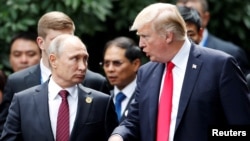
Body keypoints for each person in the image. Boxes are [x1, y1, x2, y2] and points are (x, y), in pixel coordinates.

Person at [108, 3, 250, 141]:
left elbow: (241, 130)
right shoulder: (146, 72)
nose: (140, 44)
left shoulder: (219, 65)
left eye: (145, 36)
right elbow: (133, 121)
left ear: (168, 36)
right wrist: (118, 136)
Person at [0, 11, 109, 135]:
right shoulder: (17, 82)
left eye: (69, 39)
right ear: (41, 43)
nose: (63, 45)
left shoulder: (95, 82)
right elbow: (6, 130)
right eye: (56, 40)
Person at [176, 0, 250, 75]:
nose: (185, 20)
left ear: (205, 18)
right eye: (181, 14)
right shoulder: (167, 56)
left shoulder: (231, 54)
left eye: (193, 14)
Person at [102, 36, 142, 122]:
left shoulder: (146, 97)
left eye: (117, 63)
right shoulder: (103, 99)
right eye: (106, 63)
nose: (110, 69)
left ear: (135, 64)